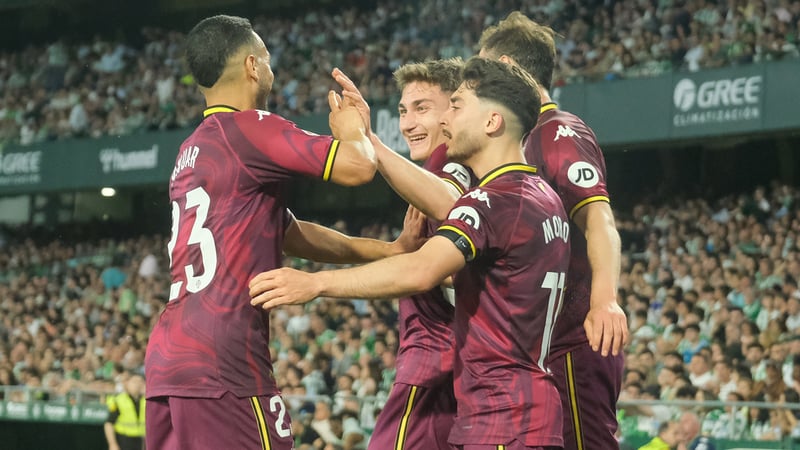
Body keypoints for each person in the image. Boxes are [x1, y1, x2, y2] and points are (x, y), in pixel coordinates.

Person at [251, 56, 569, 450]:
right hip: (519, 406)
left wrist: (316, 283)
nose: (447, 119)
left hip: (501, 412)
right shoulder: (544, 198)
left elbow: (423, 268)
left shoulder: (491, 200)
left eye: (455, 106)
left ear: (492, 122)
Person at [144, 14, 379, 450]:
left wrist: (389, 252)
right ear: (252, 66)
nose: (271, 68)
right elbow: (359, 165)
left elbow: (289, 233)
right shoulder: (251, 126)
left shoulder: (190, 149)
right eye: (267, 58)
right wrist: (354, 131)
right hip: (224, 361)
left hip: (168, 360)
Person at [479, 11, 629, 450]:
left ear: (506, 67)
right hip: (540, 346)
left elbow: (598, 219)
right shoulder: (520, 140)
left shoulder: (558, 131)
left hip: (574, 339)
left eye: (482, 72)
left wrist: (605, 301)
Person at [104, 373, 145, 450]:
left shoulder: (147, 401)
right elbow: (109, 424)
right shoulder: (119, 400)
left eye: (141, 382)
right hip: (123, 440)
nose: (138, 385)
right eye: (134, 382)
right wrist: (112, 444)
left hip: (141, 440)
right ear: (127, 383)